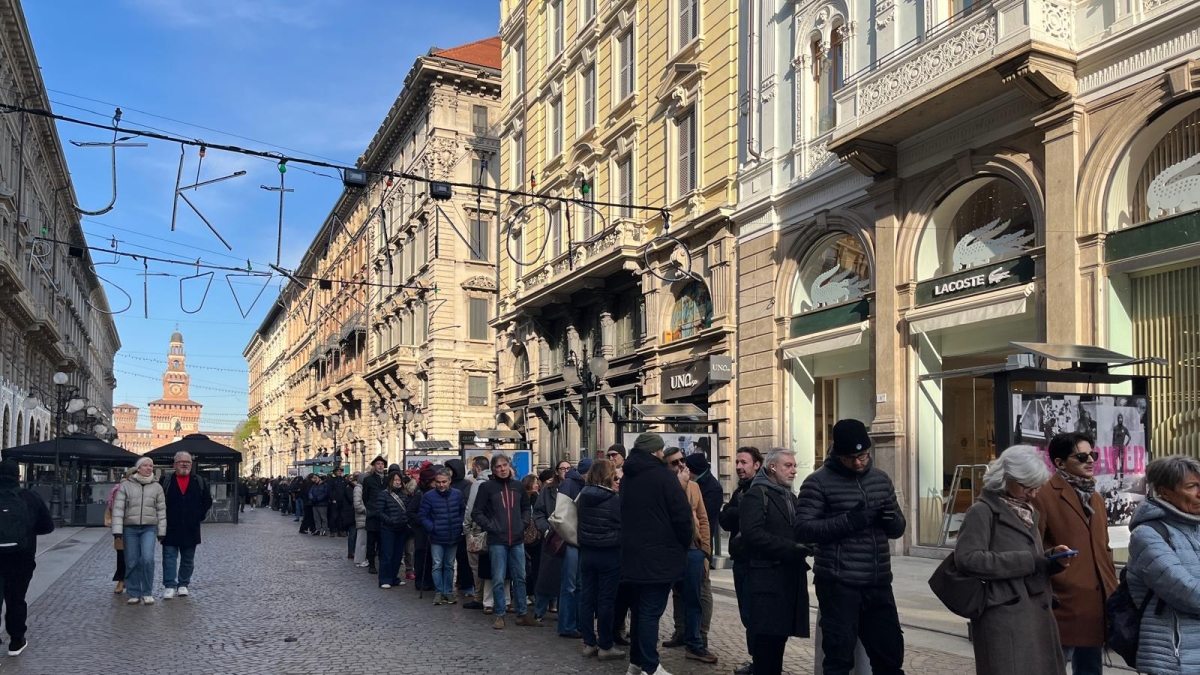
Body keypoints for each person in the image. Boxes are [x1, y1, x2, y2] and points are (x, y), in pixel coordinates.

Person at [796, 418, 906, 675]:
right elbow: (802, 530)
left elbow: (898, 529)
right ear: (838, 453)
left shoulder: (881, 479)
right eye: (850, 458)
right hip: (838, 584)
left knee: (889, 657)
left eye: (863, 455)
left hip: (878, 583)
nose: (858, 462)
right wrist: (849, 521)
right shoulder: (818, 482)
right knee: (838, 659)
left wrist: (892, 520)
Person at [955, 445, 1071, 675]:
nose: (1033, 494)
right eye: (1027, 487)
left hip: (1036, 614)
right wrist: (1029, 561)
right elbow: (967, 559)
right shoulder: (982, 511)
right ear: (1006, 478)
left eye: (1036, 487)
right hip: (1004, 617)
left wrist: (1050, 559)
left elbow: (1029, 557)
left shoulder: (1027, 511)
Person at [1032, 433, 1117, 675]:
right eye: (1081, 456)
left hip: (1097, 601)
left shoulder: (1096, 497)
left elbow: (1104, 546)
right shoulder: (1044, 496)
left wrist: (1113, 586)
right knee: (1054, 666)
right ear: (1059, 463)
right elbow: (1032, 548)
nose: (1090, 460)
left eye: (1093, 455)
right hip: (1063, 602)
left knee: (1091, 668)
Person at [620, 433, 693, 675]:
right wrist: (682, 544)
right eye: (661, 450)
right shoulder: (664, 476)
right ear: (655, 452)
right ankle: (650, 666)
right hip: (659, 556)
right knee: (650, 612)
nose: (663, 454)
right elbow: (682, 517)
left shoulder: (629, 477)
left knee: (640, 611)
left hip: (633, 554)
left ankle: (636, 662)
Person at [1126, 455, 1200, 675]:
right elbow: (1187, 592)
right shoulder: (1147, 535)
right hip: (1174, 659)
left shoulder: (1196, 528)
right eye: (1192, 486)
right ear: (1164, 491)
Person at [740, 448, 811, 675]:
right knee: (766, 644)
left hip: (788, 580)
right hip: (766, 580)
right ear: (772, 467)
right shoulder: (757, 494)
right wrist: (792, 548)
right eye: (788, 466)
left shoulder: (790, 496)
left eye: (794, 466)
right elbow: (753, 534)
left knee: (778, 641)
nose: (794, 471)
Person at [662, 447, 716, 664]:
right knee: (658, 599)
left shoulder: (694, 486)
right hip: (669, 550)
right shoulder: (666, 486)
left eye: (682, 460)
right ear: (667, 467)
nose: (681, 465)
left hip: (693, 551)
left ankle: (694, 644)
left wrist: (705, 551)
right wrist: (680, 484)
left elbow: (703, 518)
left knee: (694, 599)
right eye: (674, 463)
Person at [471, 453, 537, 629]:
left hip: (517, 539)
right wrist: (491, 526)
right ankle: (500, 614)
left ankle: (522, 614)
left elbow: (525, 507)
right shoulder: (487, 487)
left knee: (520, 577)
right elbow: (476, 512)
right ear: (493, 469)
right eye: (498, 467)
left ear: (509, 466)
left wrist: (522, 523)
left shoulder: (518, 486)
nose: (502, 469)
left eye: (504, 465)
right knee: (498, 578)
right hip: (497, 540)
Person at [0, 458, 54, 656]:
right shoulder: (30, 497)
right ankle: (16, 640)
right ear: (18, 475)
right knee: (16, 599)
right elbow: (47, 527)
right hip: (21, 556)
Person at [719, 446, 764, 675]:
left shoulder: (761, 489)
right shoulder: (740, 490)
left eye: (744, 462)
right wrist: (734, 511)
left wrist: (734, 511)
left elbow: (752, 519)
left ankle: (761, 664)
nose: (738, 467)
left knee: (755, 615)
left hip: (756, 563)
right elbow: (725, 521)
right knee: (747, 614)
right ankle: (757, 660)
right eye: (737, 462)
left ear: (757, 464)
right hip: (741, 562)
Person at [577, 458, 625, 660]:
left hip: (587, 552)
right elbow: (623, 524)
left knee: (587, 598)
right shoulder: (613, 499)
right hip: (609, 553)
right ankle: (605, 645)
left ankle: (589, 642)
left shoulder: (583, 496)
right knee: (606, 600)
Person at [112, 457, 167, 605]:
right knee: (131, 561)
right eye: (146, 465)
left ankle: (147, 592)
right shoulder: (126, 486)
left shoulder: (157, 487)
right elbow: (118, 509)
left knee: (148, 559)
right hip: (130, 528)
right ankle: (134, 591)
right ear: (138, 468)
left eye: (151, 466)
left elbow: (161, 511)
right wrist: (117, 530)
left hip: (149, 527)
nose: (149, 468)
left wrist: (161, 531)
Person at [160, 451, 213, 600]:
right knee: (169, 557)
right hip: (170, 526)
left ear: (191, 464)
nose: (184, 464)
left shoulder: (199, 480)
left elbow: (207, 500)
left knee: (188, 558)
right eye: (181, 462)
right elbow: (158, 500)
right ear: (174, 464)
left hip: (191, 526)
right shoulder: (166, 480)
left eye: (187, 462)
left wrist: (198, 515)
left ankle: (183, 584)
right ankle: (169, 585)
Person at [421, 467, 465, 605]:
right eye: (438, 482)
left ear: (449, 481)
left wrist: (459, 524)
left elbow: (462, 510)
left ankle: (448, 592)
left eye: (444, 482)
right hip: (437, 536)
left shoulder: (457, 494)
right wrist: (432, 527)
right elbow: (423, 515)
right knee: (437, 565)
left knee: (449, 565)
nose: (441, 485)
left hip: (453, 535)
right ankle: (439, 592)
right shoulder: (429, 496)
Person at [557, 457, 590, 639]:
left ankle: (575, 624)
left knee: (577, 585)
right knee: (570, 585)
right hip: (572, 539)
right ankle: (567, 625)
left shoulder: (573, 483)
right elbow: (562, 514)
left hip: (576, 540)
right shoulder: (570, 484)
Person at [533, 462, 569, 622]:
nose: (566, 471)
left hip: (569, 538)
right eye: (562, 468)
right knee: (546, 577)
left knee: (566, 579)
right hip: (551, 539)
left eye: (569, 469)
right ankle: (539, 611)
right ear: (556, 471)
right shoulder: (548, 490)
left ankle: (564, 614)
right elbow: (539, 511)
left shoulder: (575, 488)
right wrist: (545, 529)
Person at [463, 455, 493, 611]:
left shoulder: (478, 484)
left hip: (478, 529)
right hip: (494, 529)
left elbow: (471, 509)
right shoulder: (495, 481)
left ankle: (478, 596)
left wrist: (466, 529)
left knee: (475, 565)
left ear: (477, 468)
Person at [375, 468, 410, 589]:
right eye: (395, 480)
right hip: (388, 529)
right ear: (390, 481)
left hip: (401, 528)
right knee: (387, 554)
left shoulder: (404, 495)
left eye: (399, 480)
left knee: (398, 554)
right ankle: (384, 578)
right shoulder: (383, 495)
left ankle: (394, 577)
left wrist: (405, 520)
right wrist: (390, 521)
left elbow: (408, 509)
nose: (397, 482)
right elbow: (379, 512)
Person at [446, 458, 476, 601]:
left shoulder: (466, 485)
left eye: (450, 469)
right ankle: (459, 581)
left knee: (464, 557)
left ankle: (467, 583)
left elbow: (467, 504)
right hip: (449, 525)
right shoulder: (448, 484)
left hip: (462, 524)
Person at [105, 467, 137, 595]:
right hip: (122, 525)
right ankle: (121, 580)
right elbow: (113, 507)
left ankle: (133, 581)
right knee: (121, 554)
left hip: (139, 525)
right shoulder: (119, 489)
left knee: (138, 555)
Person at [361, 456, 388, 575]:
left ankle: (383, 564)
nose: (380, 466)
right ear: (374, 466)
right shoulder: (368, 480)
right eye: (378, 464)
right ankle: (371, 564)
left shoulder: (388, 480)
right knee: (371, 542)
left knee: (383, 542)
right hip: (373, 514)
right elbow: (365, 497)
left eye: (382, 464)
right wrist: (370, 508)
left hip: (386, 515)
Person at [325, 466, 348, 537]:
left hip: (342, 500)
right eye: (338, 471)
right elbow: (329, 491)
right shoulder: (331, 480)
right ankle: (332, 530)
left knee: (341, 516)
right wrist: (332, 499)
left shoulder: (343, 480)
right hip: (334, 501)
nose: (339, 472)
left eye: (340, 471)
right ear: (335, 472)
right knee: (334, 516)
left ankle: (340, 530)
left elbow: (346, 490)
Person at [352, 472, 369, 566]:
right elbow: (357, 504)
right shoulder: (358, 489)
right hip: (362, 517)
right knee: (361, 540)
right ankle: (360, 559)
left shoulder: (360, 488)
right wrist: (366, 511)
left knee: (363, 540)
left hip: (362, 517)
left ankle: (361, 559)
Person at [344, 472, 359, 560]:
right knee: (352, 534)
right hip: (351, 514)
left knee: (356, 535)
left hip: (354, 514)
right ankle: (351, 552)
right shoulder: (349, 488)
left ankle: (354, 551)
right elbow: (352, 500)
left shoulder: (352, 488)